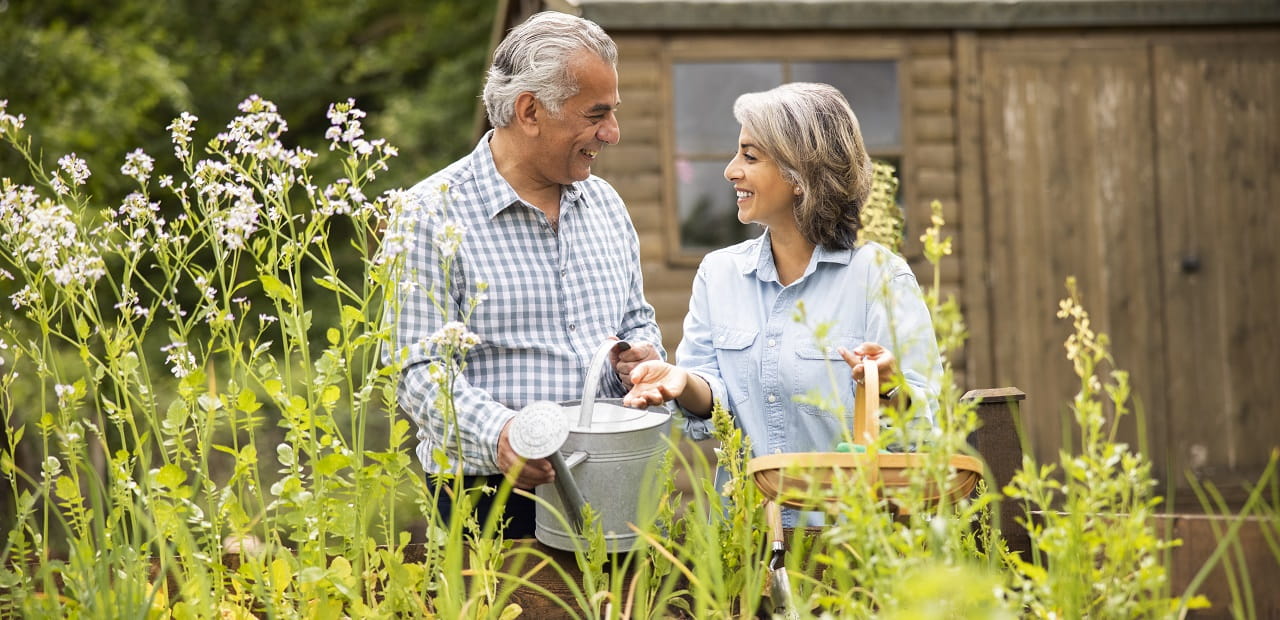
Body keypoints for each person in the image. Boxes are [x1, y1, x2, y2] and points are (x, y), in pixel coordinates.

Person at [390, 11, 663, 538]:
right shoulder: (428, 213)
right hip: (489, 495)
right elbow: (418, 370)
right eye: (596, 114)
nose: (613, 132)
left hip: (614, 478)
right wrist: (504, 436)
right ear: (530, 110)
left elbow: (637, 322)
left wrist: (641, 358)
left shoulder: (606, 204)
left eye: (614, 112)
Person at [622, 82, 942, 526]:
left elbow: (925, 433)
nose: (731, 171)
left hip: (850, 551)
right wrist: (681, 381)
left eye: (750, 157)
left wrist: (890, 387)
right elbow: (714, 401)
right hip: (746, 551)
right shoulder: (719, 275)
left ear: (800, 174)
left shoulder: (881, 279)